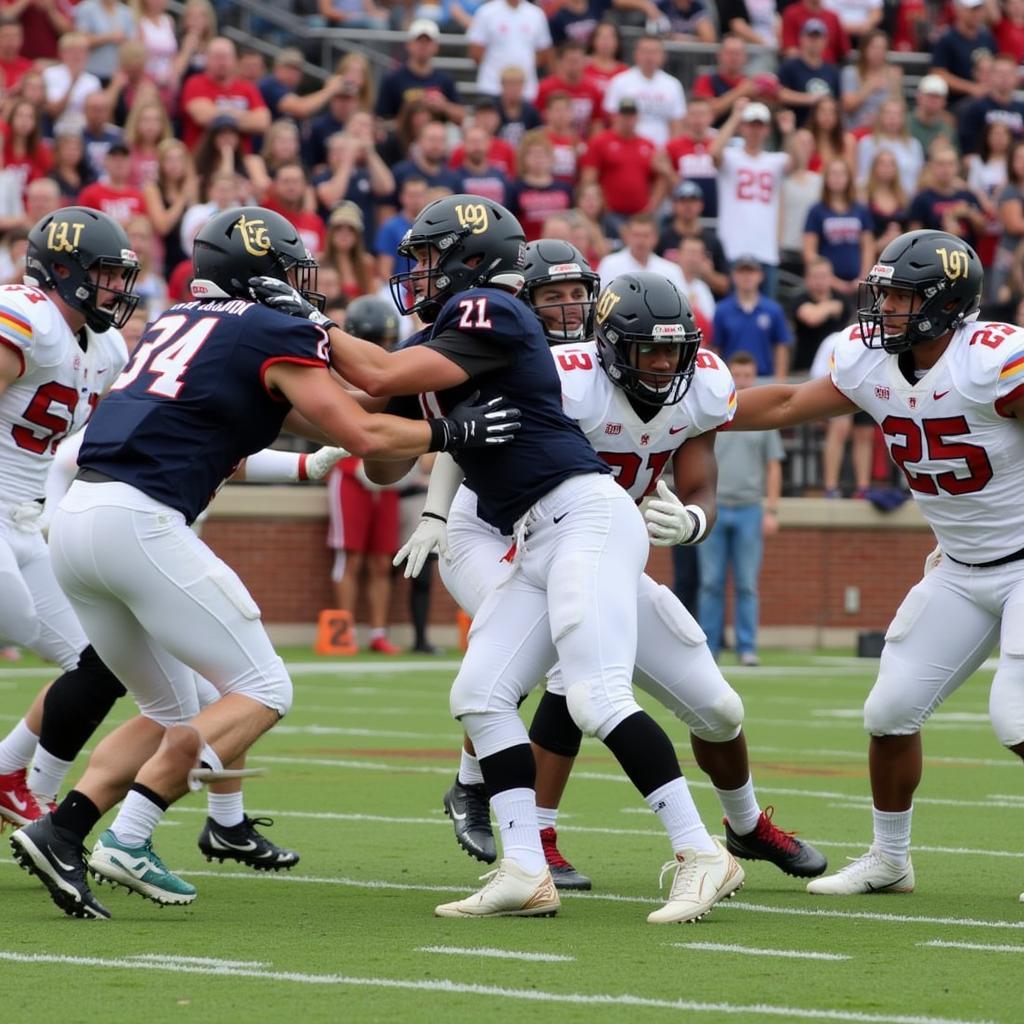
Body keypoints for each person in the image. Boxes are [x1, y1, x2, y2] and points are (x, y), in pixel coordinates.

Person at [10, 206, 518, 920]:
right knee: (263, 687)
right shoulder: (267, 328)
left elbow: (346, 430)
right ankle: (129, 836)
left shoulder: (178, 323)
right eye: (290, 271)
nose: (300, 286)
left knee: (168, 709)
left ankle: (62, 830)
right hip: (140, 523)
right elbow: (367, 429)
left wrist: (376, 441)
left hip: (77, 524)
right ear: (263, 277)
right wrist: (453, 429)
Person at [254, 195, 746, 923]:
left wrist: (307, 319)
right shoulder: (455, 339)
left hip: (586, 516)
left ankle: (703, 853)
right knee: (480, 696)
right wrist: (326, 421)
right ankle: (524, 868)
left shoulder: (491, 311)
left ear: (471, 261)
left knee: (595, 696)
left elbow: (384, 376)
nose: (416, 273)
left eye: (426, 258)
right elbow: (383, 427)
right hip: (535, 532)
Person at [402, 243, 826, 896]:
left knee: (718, 708)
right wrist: (432, 513)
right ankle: (507, 815)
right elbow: (469, 433)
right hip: (494, 530)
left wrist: (694, 521)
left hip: (593, 542)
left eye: (672, 351)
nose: (661, 366)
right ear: (611, 347)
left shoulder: (700, 386)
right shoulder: (564, 376)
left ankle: (742, 827)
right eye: (647, 351)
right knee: (556, 674)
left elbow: (705, 475)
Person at [729, 229, 1024, 899]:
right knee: (890, 711)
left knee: (1017, 715)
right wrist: (687, 411)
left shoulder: (989, 361)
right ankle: (891, 861)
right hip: (960, 566)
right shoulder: (872, 364)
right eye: (885, 294)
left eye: (901, 297)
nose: (886, 309)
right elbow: (785, 404)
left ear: (947, 306)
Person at [327, 297, 404, 655]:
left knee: (380, 559)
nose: (380, 348)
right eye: (373, 340)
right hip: (349, 469)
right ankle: (343, 630)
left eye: (385, 342)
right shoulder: (339, 367)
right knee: (352, 556)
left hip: (384, 469)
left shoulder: (395, 364)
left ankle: (377, 631)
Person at [697, 351, 783, 666]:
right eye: (739, 375)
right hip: (715, 508)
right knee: (710, 583)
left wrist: (771, 510)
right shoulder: (714, 411)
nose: (744, 381)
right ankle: (709, 649)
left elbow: (773, 466)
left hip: (749, 508)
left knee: (747, 583)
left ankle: (747, 647)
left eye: (749, 376)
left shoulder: (763, 418)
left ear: (755, 377)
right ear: (730, 377)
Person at [711, 99, 795, 298]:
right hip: (733, 246)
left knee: (765, 308)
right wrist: (734, 117)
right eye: (750, 125)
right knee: (732, 308)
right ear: (743, 127)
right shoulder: (732, 157)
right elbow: (713, 153)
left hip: (765, 247)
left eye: (760, 125)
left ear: (767, 129)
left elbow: (796, 162)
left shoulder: (774, 160)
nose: (755, 131)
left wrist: (789, 132)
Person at [712, 256, 793, 378]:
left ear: (760, 276)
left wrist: (780, 379)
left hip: (765, 377)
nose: (746, 277)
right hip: (731, 378)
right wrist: (717, 378)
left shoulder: (773, 310)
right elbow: (716, 347)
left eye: (751, 272)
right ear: (733, 276)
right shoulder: (722, 310)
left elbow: (781, 346)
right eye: (741, 272)